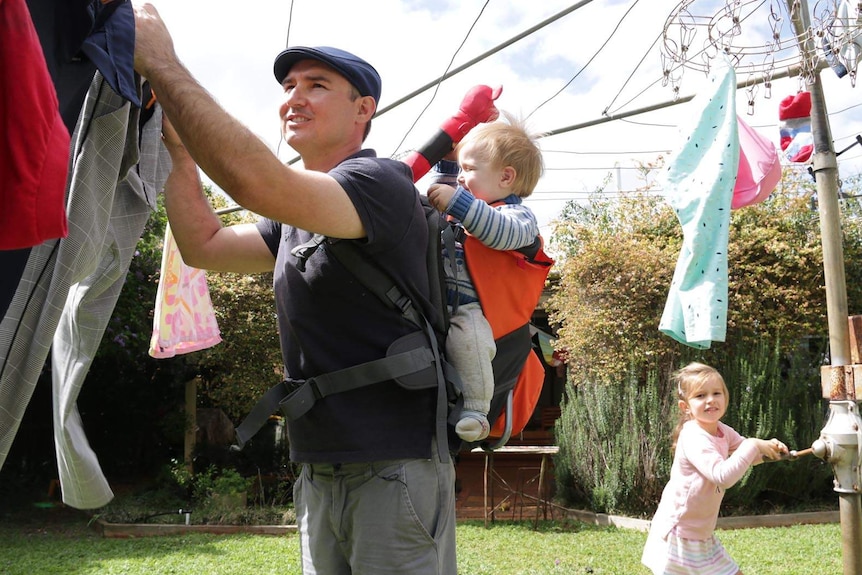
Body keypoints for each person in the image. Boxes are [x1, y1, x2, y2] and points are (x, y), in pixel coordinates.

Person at [132, 5, 457, 574]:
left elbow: (257, 181)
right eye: (288, 86)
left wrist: (161, 62)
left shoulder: (379, 182)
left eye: (317, 85)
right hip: (318, 460)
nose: (293, 98)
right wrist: (179, 154)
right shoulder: (296, 216)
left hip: (394, 460)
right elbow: (204, 244)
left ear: (364, 110)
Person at [426, 112, 544, 442]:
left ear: (506, 177)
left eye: (470, 170)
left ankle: (477, 411)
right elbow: (440, 200)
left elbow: (501, 234)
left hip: (472, 310)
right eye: (461, 170)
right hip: (433, 301)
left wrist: (460, 202)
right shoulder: (466, 208)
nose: (463, 179)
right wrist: (448, 167)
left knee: (472, 344)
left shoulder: (516, 216)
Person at [641, 362, 789, 575]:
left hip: (702, 534)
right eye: (700, 396)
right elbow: (723, 476)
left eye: (716, 393)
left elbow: (747, 457)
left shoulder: (722, 431)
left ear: (725, 398)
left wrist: (770, 450)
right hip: (679, 535)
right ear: (686, 407)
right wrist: (754, 444)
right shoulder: (693, 436)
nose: (710, 400)